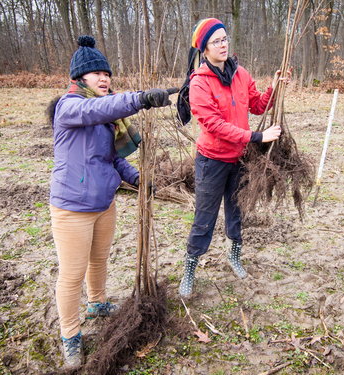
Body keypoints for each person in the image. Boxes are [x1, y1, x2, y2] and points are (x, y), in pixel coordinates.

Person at [48, 35, 176, 368]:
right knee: (71, 275)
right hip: (72, 208)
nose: (104, 78)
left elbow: (111, 159)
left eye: (107, 73)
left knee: (99, 260)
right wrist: (141, 99)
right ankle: (70, 335)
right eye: (96, 74)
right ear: (79, 79)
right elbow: (98, 108)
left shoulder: (106, 119)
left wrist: (138, 179)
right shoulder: (71, 106)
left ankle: (98, 302)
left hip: (104, 202)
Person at [179, 18, 288, 297]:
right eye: (216, 41)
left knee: (237, 210)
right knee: (204, 216)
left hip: (239, 159)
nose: (223, 44)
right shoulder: (200, 83)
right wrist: (256, 137)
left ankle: (234, 255)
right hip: (212, 160)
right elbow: (213, 125)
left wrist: (274, 87)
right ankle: (191, 267)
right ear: (205, 49)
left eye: (225, 38)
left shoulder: (241, 74)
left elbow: (258, 105)